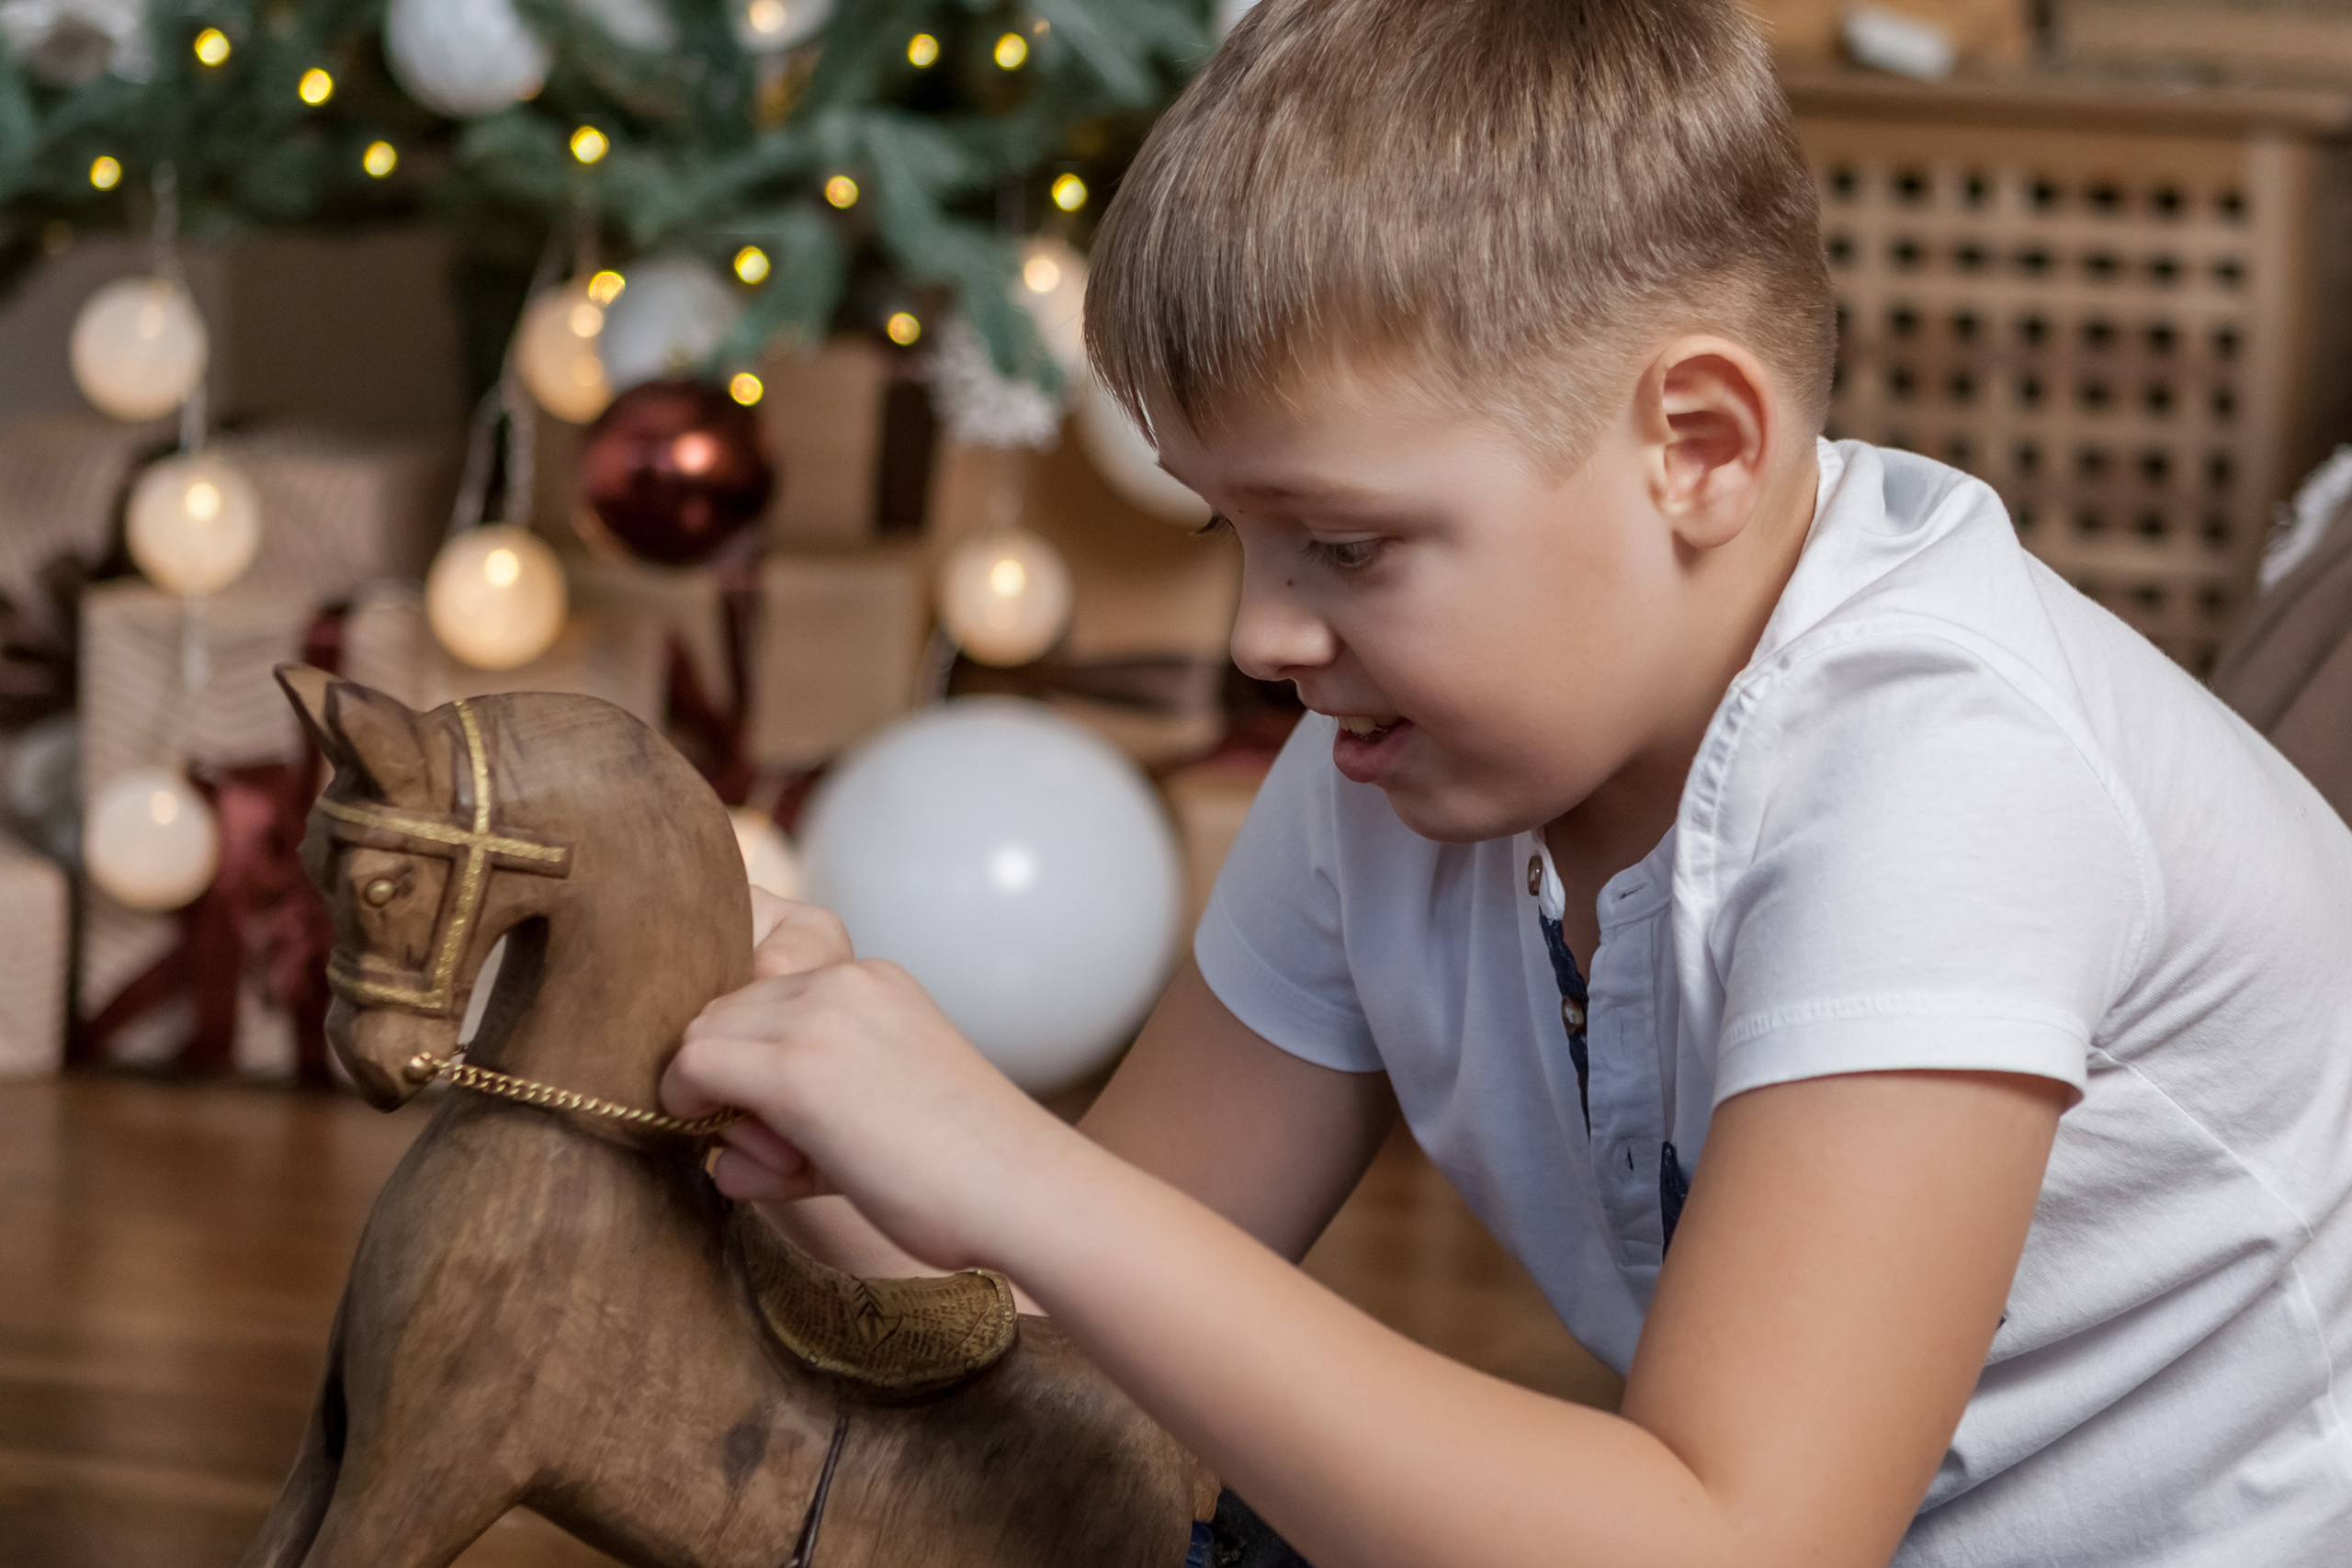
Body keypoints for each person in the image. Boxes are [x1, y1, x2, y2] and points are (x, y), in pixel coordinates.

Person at [663, 2, 2352, 1563]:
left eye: (1345, 543)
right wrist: (847, 1119)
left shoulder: (1944, 775)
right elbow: (1061, 1328)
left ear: (1697, 448)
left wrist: (1016, 1171)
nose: (1263, 634)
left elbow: (1730, 1548)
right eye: (1227, 533)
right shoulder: (1389, 766)